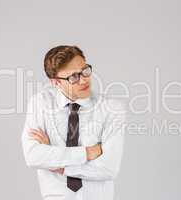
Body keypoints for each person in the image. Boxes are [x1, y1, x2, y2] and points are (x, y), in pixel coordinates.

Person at [21, 45, 126, 200]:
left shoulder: (111, 108)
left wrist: (57, 165)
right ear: (56, 82)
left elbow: (109, 168)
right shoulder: (40, 104)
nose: (84, 79)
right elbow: (33, 156)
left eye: (85, 70)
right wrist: (87, 153)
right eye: (74, 77)